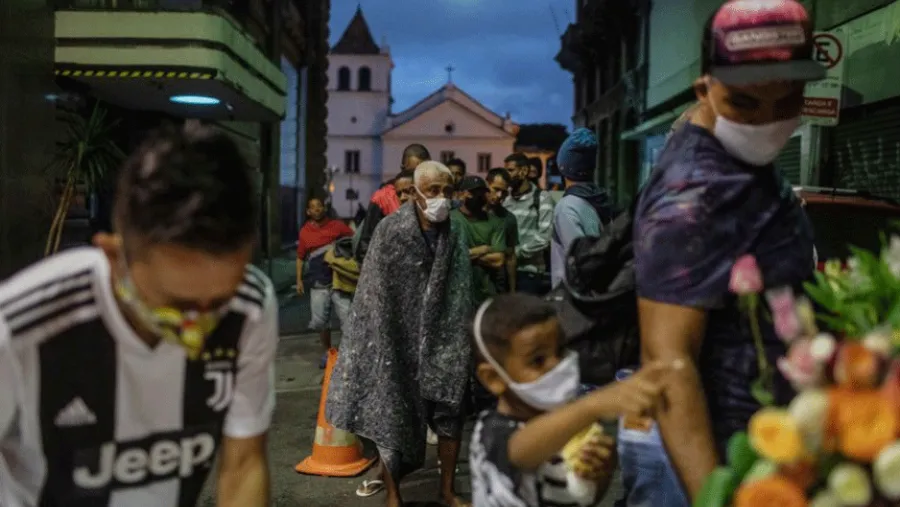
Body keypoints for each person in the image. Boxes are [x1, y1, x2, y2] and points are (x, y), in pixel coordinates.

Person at [0, 124, 277, 507]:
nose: (199, 330)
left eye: (218, 302)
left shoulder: (248, 306)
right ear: (115, 257)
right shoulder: (21, 327)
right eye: (177, 305)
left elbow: (244, 466)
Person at [633, 0, 824, 502]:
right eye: (745, 103)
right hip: (725, 465)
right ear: (705, 89)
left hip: (772, 455)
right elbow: (669, 362)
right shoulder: (691, 200)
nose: (769, 120)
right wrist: (715, 496)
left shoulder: (741, 162)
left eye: (787, 100)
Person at [327, 161, 473, 507]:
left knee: (451, 413)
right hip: (397, 338)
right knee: (392, 415)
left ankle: (447, 491)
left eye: (447, 191)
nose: (441, 198)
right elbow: (375, 291)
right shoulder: (391, 230)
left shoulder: (457, 231)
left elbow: (461, 287)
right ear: (416, 193)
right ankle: (393, 495)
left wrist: (461, 334)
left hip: (446, 336)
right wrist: (380, 339)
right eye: (434, 190)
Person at [469, 294, 677, 507]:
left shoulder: (565, 432)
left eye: (560, 351)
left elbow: (578, 499)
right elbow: (518, 451)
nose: (556, 365)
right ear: (494, 378)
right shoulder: (491, 431)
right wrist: (594, 404)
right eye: (538, 360)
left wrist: (598, 474)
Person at [550, 128, 613, 289]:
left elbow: (580, 263)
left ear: (563, 166)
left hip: (574, 298)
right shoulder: (602, 200)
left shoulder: (567, 207)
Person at [296, 197, 354, 365]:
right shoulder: (305, 232)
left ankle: (349, 353)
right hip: (318, 283)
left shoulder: (337, 226)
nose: (317, 210)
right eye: (313, 207)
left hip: (339, 282)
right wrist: (299, 280)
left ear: (324, 208)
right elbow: (300, 258)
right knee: (320, 322)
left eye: (319, 206)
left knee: (348, 319)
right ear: (308, 211)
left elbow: (354, 241)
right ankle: (328, 352)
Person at [355, 144, 430, 264]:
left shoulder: (433, 195)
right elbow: (366, 245)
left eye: (423, 171)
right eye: (413, 172)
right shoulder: (383, 197)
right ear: (402, 167)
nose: (417, 177)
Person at [503, 153, 554, 296]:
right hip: (504, 272)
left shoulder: (542, 197)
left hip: (530, 273)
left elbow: (545, 236)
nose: (507, 175)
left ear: (524, 171)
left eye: (510, 170)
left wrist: (515, 253)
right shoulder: (505, 198)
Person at [451, 175, 507, 305]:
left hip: (485, 295)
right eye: (473, 192)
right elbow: (447, 257)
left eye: (481, 192)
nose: (478, 196)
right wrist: (483, 249)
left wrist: (462, 255)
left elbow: (498, 260)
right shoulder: (451, 219)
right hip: (457, 294)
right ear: (462, 194)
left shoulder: (495, 222)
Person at [486, 168, 519, 293]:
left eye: (504, 192)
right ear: (487, 185)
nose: (500, 196)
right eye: (496, 189)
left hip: (497, 284)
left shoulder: (509, 219)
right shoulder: (472, 212)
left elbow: (510, 257)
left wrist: (512, 290)